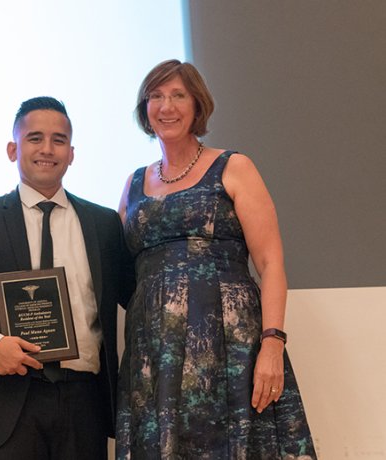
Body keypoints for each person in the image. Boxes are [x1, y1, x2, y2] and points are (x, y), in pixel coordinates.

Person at [116, 59, 316, 459]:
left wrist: (272, 344)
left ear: (197, 104)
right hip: (154, 353)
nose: (166, 106)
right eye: (155, 96)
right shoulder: (133, 183)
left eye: (177, 95)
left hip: (230, 347)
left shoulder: (234, 167)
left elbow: (271, 262)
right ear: (145, 108)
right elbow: (123, 271)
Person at [0, 96, 134, 459]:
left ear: (72, 153)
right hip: (4, 398)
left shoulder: (103, 224)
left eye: (59, 140)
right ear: (13, 149)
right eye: (35, 138)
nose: (47, 149)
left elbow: (134, 295)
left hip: (83, 402)